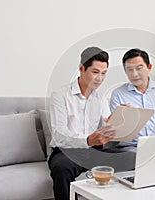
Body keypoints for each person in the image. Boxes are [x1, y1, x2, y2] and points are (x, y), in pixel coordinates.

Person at [48, 47, 120, 200]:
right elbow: (59, 135)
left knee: (131, 157)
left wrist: (121, 118)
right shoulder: (60, 96)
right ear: (81, 68)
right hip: (66, 152)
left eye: (104, 73)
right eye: (95, 72)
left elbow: (108, 123)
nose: (100, 78)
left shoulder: (100, 98)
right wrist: (87, 140)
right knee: (62, 169)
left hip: (94, 151)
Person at [109, 48, 155, 146]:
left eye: (139, 68)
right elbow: (115, 130)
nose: (134, 74)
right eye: (129, 69)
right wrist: (123, 118)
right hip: (130, 147)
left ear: (149, 67)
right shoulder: (118, 94)